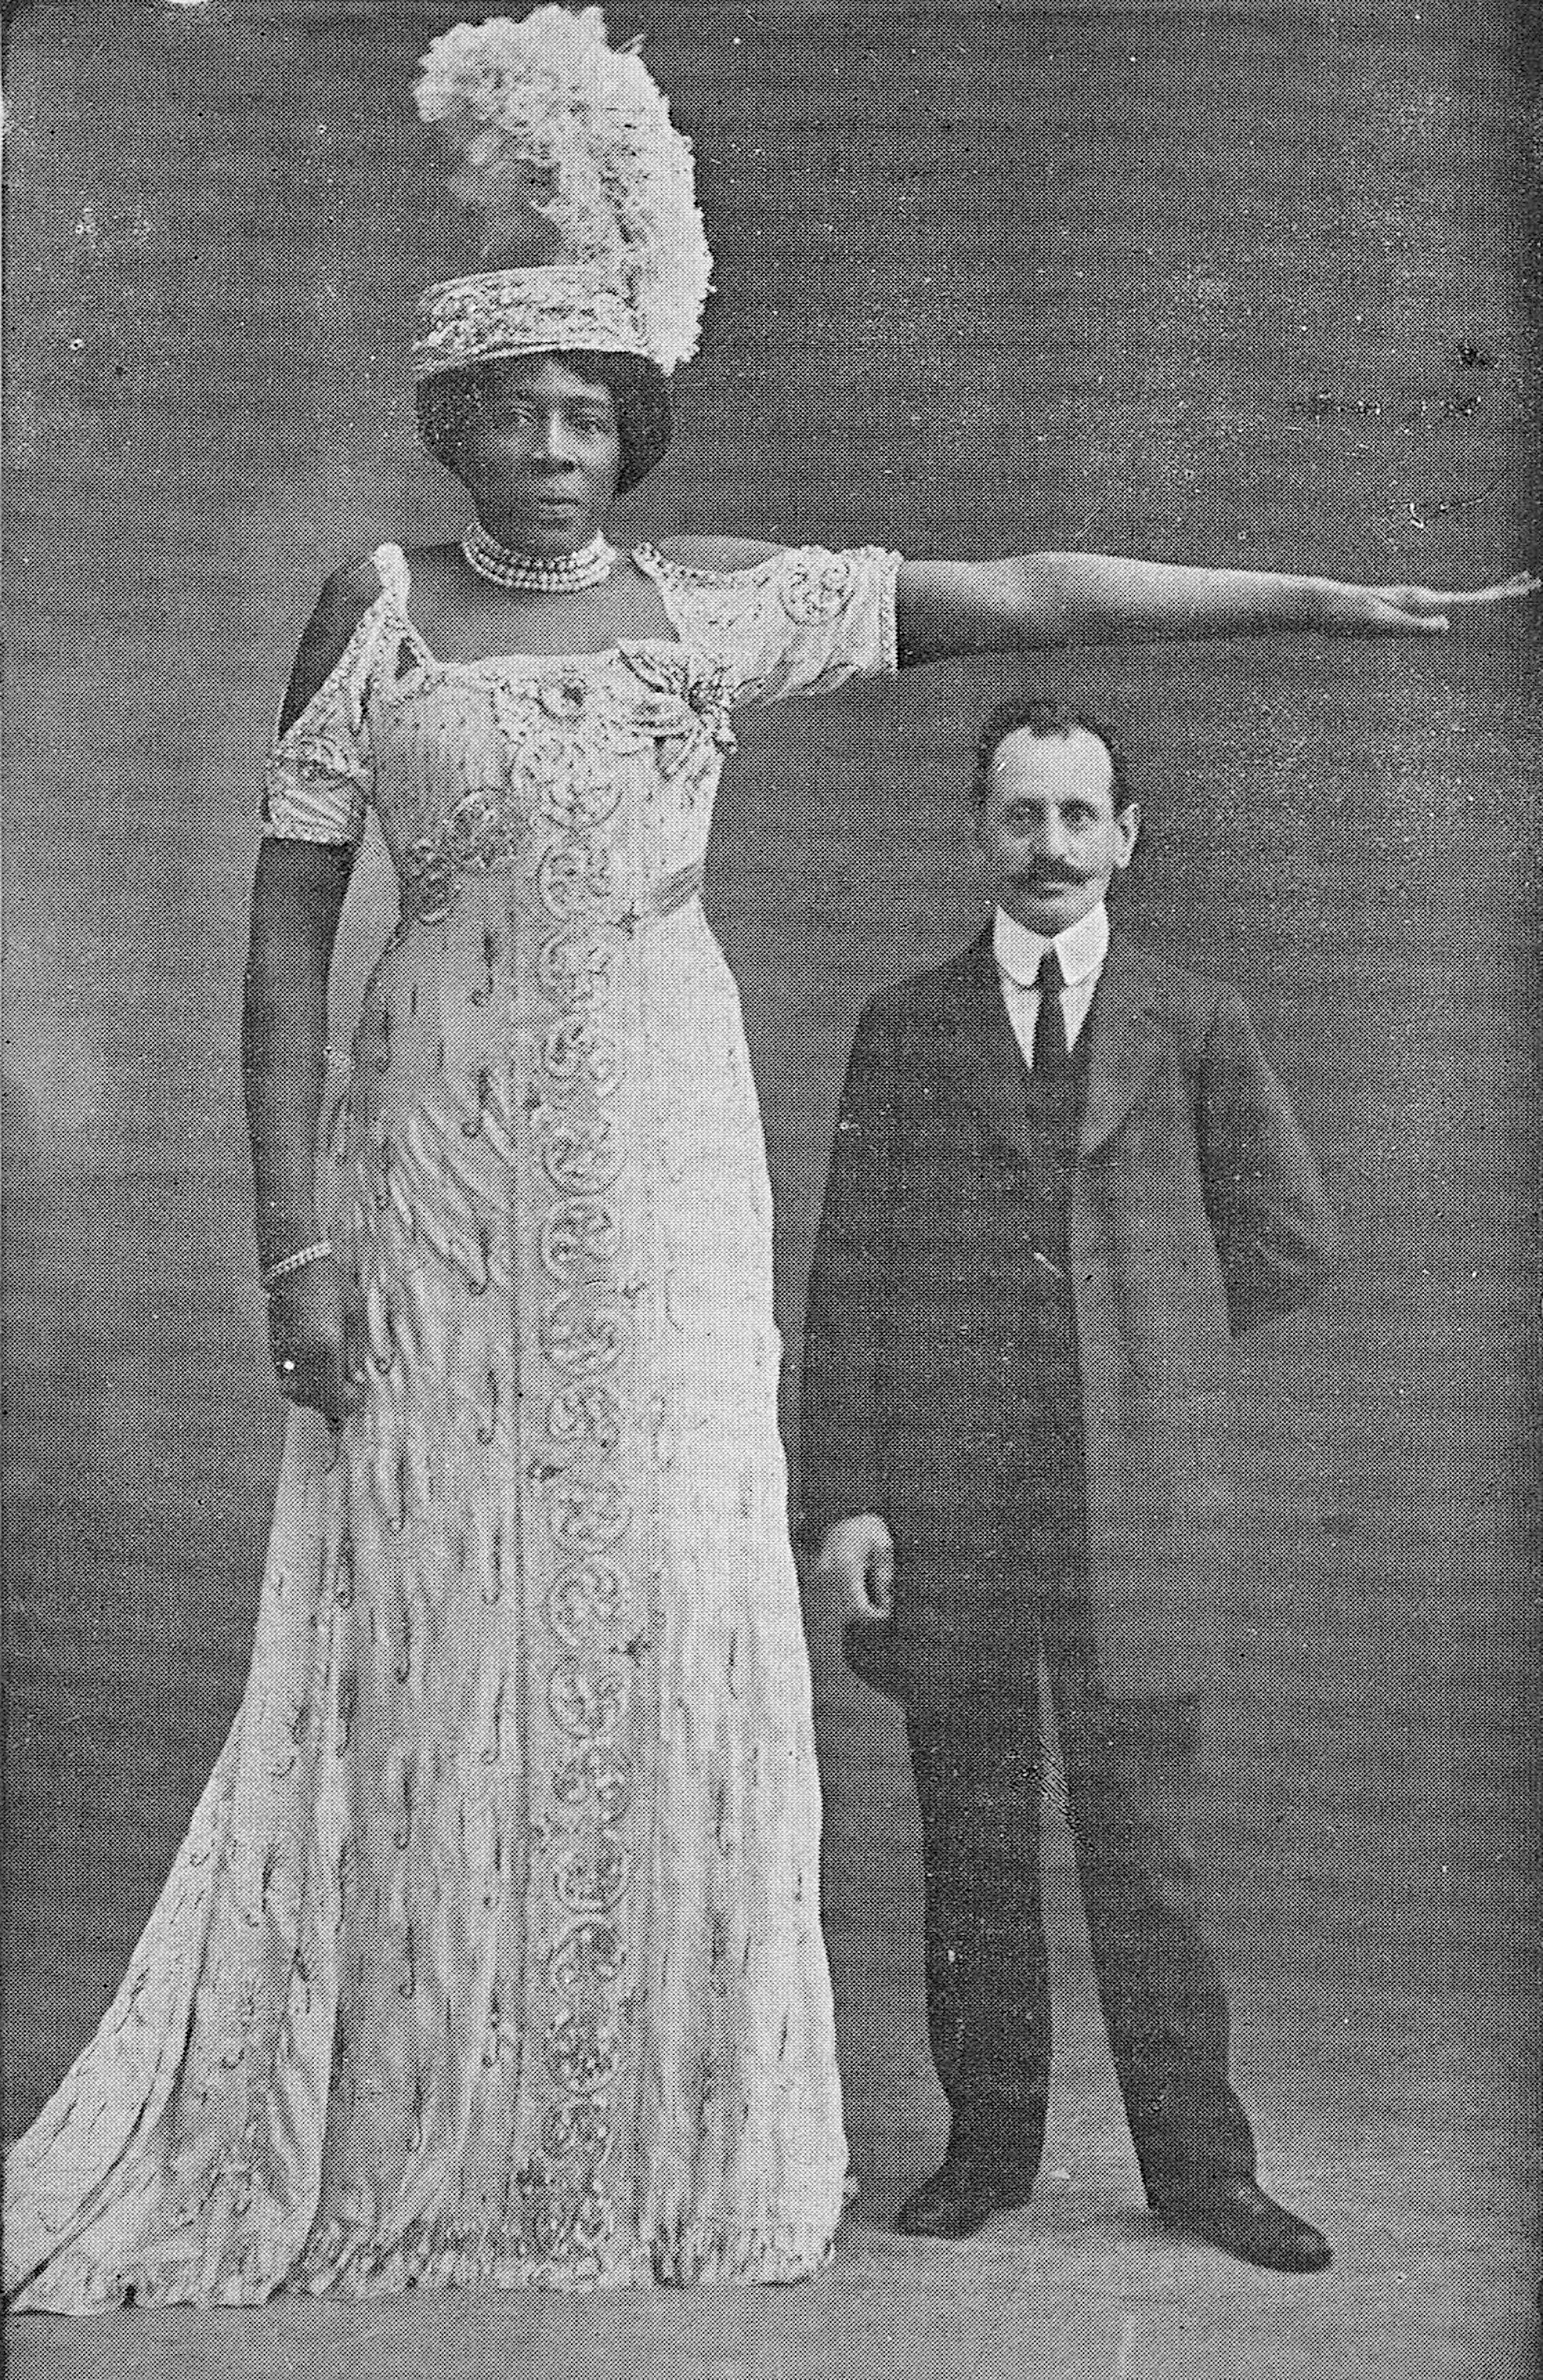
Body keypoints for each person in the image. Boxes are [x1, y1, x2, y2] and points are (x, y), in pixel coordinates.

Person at [4, 4, 1532, 2312]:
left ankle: (646, 2131)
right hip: (424, 1170)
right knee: (435, 1610)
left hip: (666, 1169)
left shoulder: (714, 607)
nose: (549, 448)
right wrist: (291, 1248)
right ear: (453, 425)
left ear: (631, 431)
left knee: (662, 1607)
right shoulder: (376, 608)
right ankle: (429, 2107)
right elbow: (280, 938)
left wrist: (1332, 604)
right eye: (512, 411)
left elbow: (1017, 595)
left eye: (587, 413)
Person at [799, 698, 1344, 2271]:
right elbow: (849, 1282)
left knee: (1147, 1857)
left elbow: (1295, 1237)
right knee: (970, 1842)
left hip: (1133, 1512)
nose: (1050, 847)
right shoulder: (904, 1028)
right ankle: (986, 2150)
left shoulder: (1193, 1017)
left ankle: (1201, 2171)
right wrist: (849, 1499)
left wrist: (1147, 1341)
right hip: (954, 1508)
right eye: (1021, 816)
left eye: (1077, 816)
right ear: (981, 832)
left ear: (1126, 837)